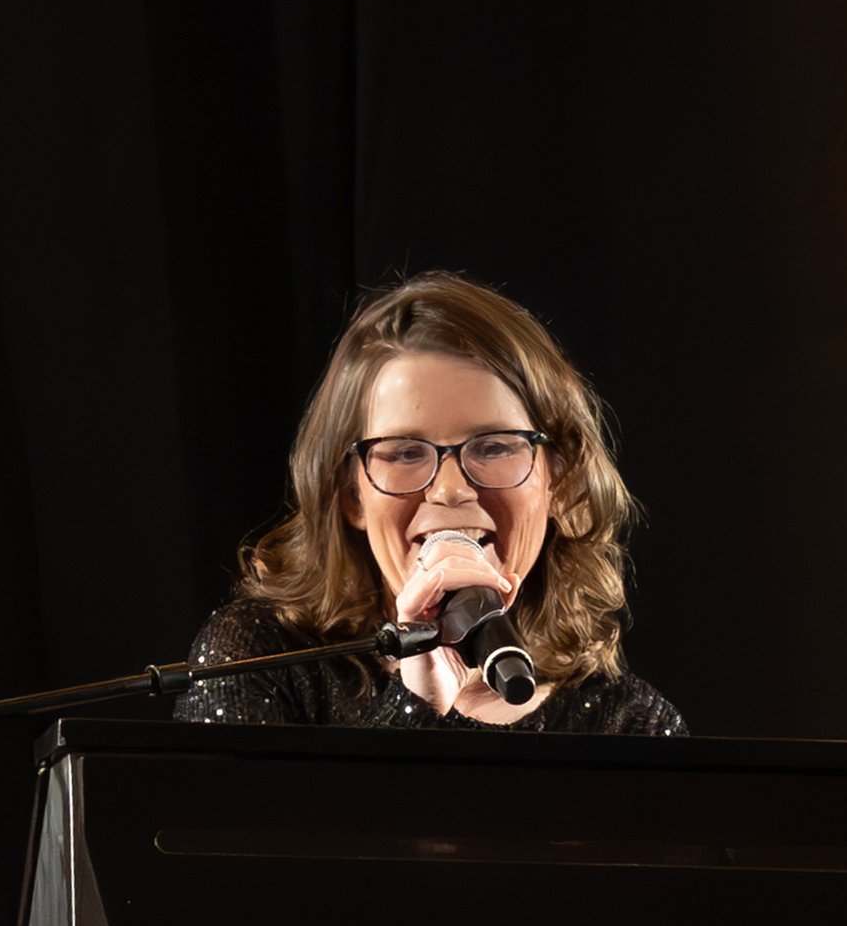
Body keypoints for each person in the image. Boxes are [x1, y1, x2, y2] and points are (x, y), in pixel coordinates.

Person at [175, 272, 684, 734]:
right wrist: (417, 701)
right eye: (404, 453)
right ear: (352, 495)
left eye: (494, 446)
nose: (449, 489)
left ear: (561, 480)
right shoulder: (258, 662)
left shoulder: (631, 725)